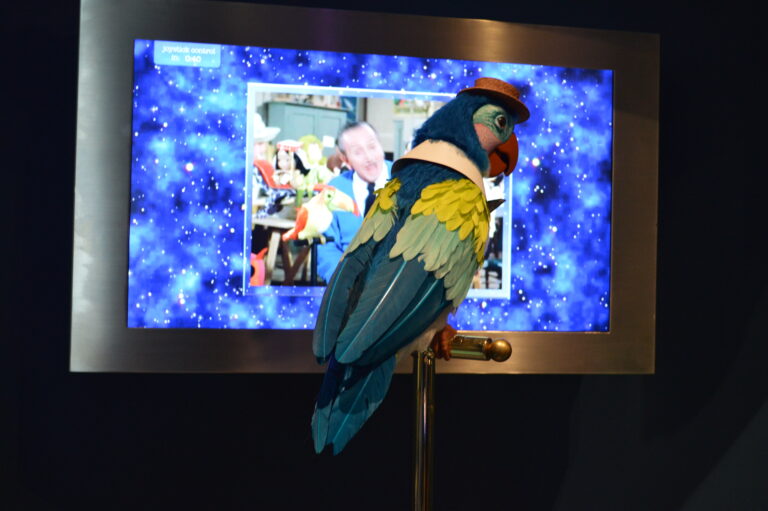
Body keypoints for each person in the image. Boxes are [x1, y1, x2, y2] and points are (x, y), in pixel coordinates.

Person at [316, 121, 391, 282]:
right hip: (349, 283)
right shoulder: (334, 190)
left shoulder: (407, 179)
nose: (369, 157)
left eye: (372, 147)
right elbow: (325, 246)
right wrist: (342, 281)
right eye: (358, 152)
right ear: (346, 159)